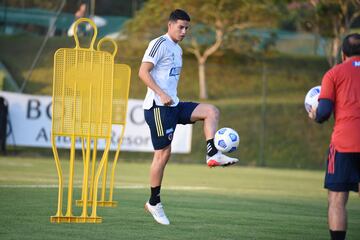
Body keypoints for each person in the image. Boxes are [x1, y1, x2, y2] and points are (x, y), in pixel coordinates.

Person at [138, 9, 239, 225]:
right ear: (170, 25)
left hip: (173, 104)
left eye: (187, 28)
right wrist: (161, 93)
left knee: (211, 111)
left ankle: (212, 154)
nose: (184, 31)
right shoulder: (159, 44)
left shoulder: (178, 49)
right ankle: (154, 202)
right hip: (157, 107)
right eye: (180, 27)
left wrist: (170, 96)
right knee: (163, 154)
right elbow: (143, 72)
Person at [309, 33, 360, 240]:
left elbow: (323, 113)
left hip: (344, 144)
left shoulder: (334, 74)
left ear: (343, 53)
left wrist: (315, 115)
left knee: (337, 199)